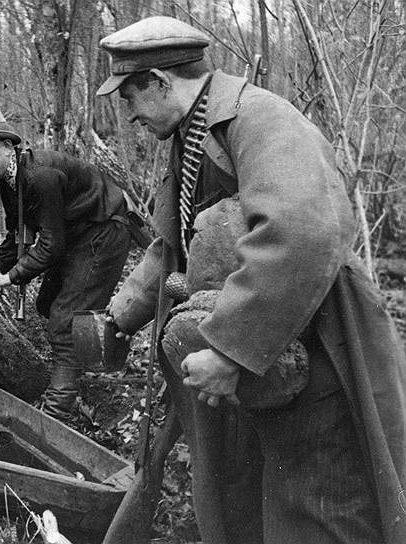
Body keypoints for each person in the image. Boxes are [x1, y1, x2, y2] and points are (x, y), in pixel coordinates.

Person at [96, 16, 406, 544]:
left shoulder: (261, 120)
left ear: (160, 81)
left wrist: (230, 350)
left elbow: (306, 229)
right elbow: (173, 247)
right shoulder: (193, 134)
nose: (127, 116)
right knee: (247, 499)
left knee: (321, 503)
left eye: (129, 97)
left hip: (311, 333)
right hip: (258, 344)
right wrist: (122, 315)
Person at [0, 107, 133, 421]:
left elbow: (51, 246)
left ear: (7, 147)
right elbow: (19, 233)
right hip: (77, 233)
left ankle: (57, 409)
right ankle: (78, 362)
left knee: (65, 317)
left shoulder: (40, 176)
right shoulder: (8, 182)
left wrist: (8, 278)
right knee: (47, 303)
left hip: (103, 230)